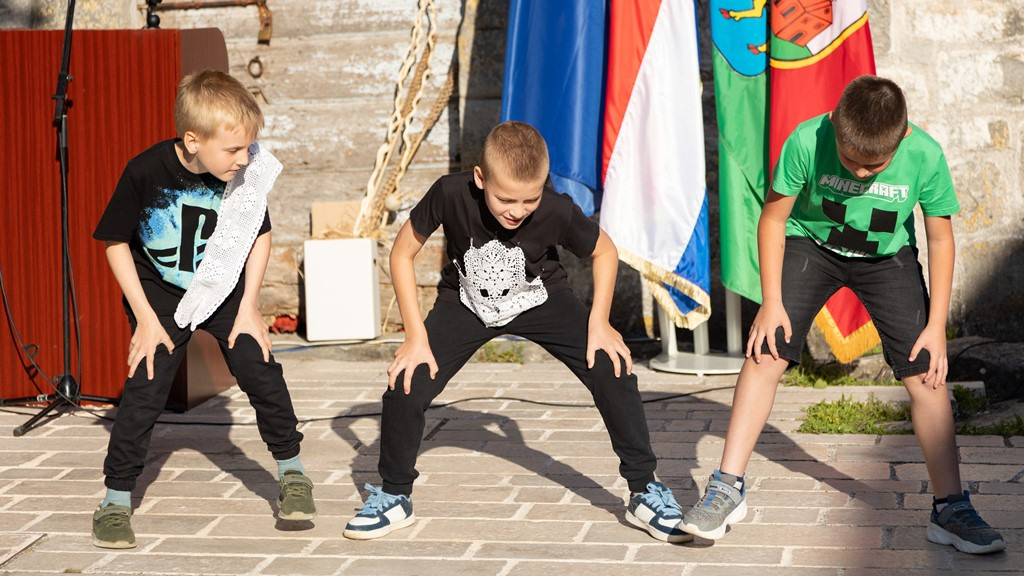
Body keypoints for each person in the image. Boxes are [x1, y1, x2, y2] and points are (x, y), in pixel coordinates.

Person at [679, 75, 1005, 555]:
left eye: (875, 166)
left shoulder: (925, 155)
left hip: (887, 258)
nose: (862, 174)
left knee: (927, 374)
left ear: (902, 137)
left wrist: (937, 326)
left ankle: (950, 508)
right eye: (851, 161)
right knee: (765, 352)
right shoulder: (805, 140)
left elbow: (940, 238)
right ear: (834, 123)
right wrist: (771, 302)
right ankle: (726, 488)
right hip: (811, 245)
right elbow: (773, 219)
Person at [342, 121, 687, 543]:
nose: (517, 210)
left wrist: (599, 323)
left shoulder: (556, 209)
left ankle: (644, 490)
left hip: (541, 297)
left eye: (530, 199)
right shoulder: (449, 193)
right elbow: (402, 253)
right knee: (407, 382)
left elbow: (605, 251)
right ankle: (395, 496)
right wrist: (415, 337)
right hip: (466, 302)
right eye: (505, 199)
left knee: (611, 367)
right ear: (480, 178)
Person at [90, 70, 315, 549]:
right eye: (232, 150)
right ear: (193, 141)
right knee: (146, 387)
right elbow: (114, 243)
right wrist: (146, 319)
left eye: (248, 148)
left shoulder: (243, 172)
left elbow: (259, 235)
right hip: (161, 294)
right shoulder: (145, 171)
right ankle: (115, 500)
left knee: (259, 367)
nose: (244, 159)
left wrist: (250, 306)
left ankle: (293, 472)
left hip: (223, 285)